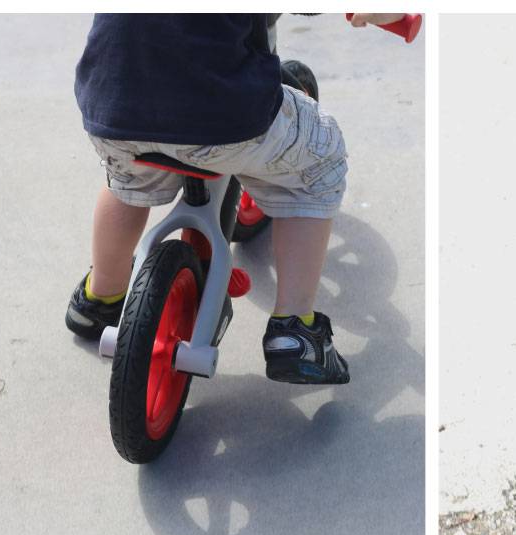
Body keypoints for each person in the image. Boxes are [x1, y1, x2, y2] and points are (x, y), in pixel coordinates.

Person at [65, 13, 404, 384]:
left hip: (112, 108)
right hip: (221, 117)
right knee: (319, 159)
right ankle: (296, 331)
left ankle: (100, 296)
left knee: (126, 179)